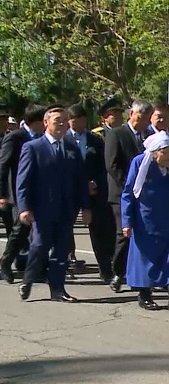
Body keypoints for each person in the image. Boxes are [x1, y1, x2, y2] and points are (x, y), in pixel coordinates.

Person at [16, 106, 90, 302]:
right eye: (58, 121)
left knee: (61, 250)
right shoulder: (33, 147)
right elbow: (23, 180)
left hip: (66, 208)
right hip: (42, 208)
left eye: (65, 121)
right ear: (46, 123)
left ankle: (58, 290)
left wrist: (85, 206)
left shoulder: (71, 148)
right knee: (39, 246)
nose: (62, 124)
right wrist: (23, 207)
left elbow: (80, 180)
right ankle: (28, 279)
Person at [121, 133, 169, 312]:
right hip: (146, 220)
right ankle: (145, 295)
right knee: (146, 259)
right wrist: (127, 221)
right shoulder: (140, 163)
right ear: (155, 152)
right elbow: (129, 192)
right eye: (165, 153)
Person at [106, 100, 153, 293]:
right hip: (121, 194)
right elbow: (112, 164)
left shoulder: (150, 136)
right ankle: (118, 272)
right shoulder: (116, 134)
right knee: (124, 234)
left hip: (145, 197)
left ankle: (138, 274)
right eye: (140, 118)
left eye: (146, 120)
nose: (142, 123)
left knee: (142, 236)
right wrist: (130, 185)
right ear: (131, 114)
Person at [68, 103, 115, 282]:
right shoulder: (63, 140)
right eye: (72, 121)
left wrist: (95, 183)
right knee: (65, 230)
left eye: (79, 120)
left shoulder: (95, 140)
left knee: (99, 232)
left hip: (93, 192)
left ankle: (106, 269)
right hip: (71, 192)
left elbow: (103, 167)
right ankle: (64, 264)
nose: (76, 124)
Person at [0, 105, 45, 282]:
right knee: (20, 231)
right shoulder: (15, 138)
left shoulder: (43, 137)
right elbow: (3, 166)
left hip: (40, 191)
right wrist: (2, 194)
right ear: (35, 121)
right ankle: (6, 262)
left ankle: (36, 267)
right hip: (19, 192)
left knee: (39, 231)